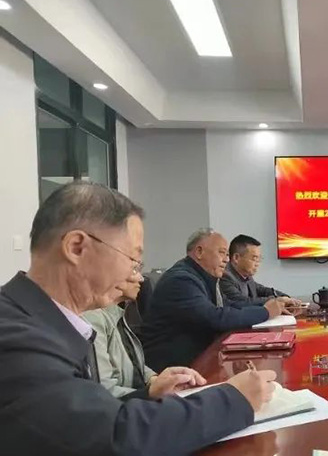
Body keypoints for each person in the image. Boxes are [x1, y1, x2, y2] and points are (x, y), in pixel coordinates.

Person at [0, 181, 276, 455]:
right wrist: (233, 400)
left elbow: (86, 416)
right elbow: (113, 438)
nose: (136, 275)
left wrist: (150, 393)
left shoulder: (44, 321)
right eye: (132, 259)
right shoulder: (16, 338)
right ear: (76, 247)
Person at [142, 229, 289, 370]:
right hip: (173, 367)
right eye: (222, 253)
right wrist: (265, 312)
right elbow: (215, 317)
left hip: (196, 359)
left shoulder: (202, 276)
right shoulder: (181, 280)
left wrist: (267, 307)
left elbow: (228, 305)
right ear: (199, 252)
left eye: (227, 254)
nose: (226, 260)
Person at [83, 271, 200, 399]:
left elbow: (132, 363)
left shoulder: (118, 312)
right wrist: (151, 392)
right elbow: (103, 393)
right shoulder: (93, 318)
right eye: (134, 269)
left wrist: (156, 380)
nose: (141, 278)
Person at [220, 234, 300, 308]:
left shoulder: (246, 275)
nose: (257, 264)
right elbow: (242, 302)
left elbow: (262, 290)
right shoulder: (225, 276)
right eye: (254, 259)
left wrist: (286, 297)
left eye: (259, 259)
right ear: (236, 258)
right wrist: (276, 301)